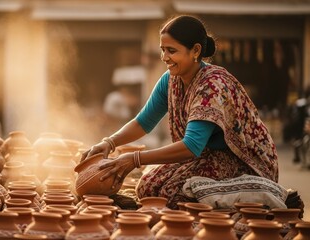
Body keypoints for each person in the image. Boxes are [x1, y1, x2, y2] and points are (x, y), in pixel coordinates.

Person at [81, 15, 279, 209]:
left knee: (172, 193)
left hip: (241, 161)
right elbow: (143, 122)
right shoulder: (170, 80)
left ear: (195, 50)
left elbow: (191, 146)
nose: (165, 57)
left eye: (172, 51)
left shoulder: (212, 85)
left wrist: (135, 159)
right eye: (163, 50)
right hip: (205, 156)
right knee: (148, 186)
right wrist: (109, 142)